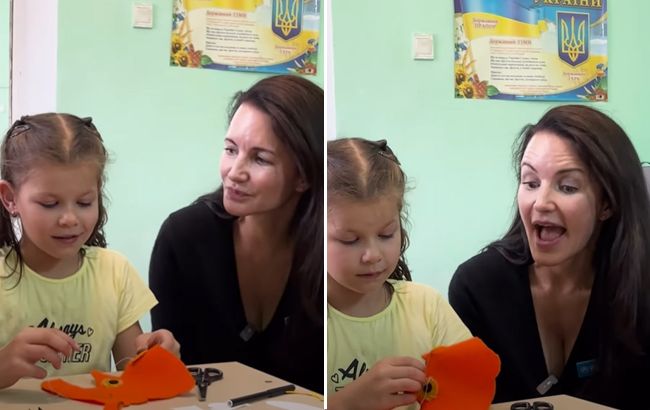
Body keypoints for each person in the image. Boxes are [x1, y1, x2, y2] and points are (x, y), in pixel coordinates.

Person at [449, 105, 650, 409]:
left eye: (567, 187)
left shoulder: (640, 290)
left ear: (607, 204)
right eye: (531, 183)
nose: (541, 202)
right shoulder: (477, 287)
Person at [149, 75, 323, 393]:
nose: (234, 172)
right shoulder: (183, 238)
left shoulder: (329, 252)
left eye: (260, 158)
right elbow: (170, 370)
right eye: (231, 149)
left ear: (304, 176)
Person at [0, 113, 180, 390]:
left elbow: (134, 374)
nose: (69, 219)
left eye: (84, 202)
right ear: (10, 198)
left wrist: (157, 358)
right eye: (49, 204)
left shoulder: (114, 272)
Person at [327, 138, 471, 410]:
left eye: (386, 234)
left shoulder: (427, 307)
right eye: (349, 240)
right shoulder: (304, 318)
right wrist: (347, 403)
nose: (372, 255)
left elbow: (472, 388)